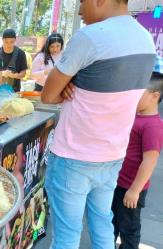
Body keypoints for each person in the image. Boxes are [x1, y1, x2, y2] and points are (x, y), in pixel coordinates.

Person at [40, 0, 156, 247]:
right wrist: (74, 83)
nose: (81, 10)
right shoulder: (146, 40)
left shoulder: (90, 37)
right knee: (103, 223)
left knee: (67, 234)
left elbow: (48, 95)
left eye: (82, 2)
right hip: (112, 155)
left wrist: (69, 84)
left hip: (74, 156)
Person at [112, 73, 163, 249]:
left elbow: (150, 161)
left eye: (139, 93)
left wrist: (134, 190)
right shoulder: (135, 116)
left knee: (129, 230)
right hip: (118, 183)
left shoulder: (153, 125)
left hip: (131, 187)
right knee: (112, 223)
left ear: (155, 96)